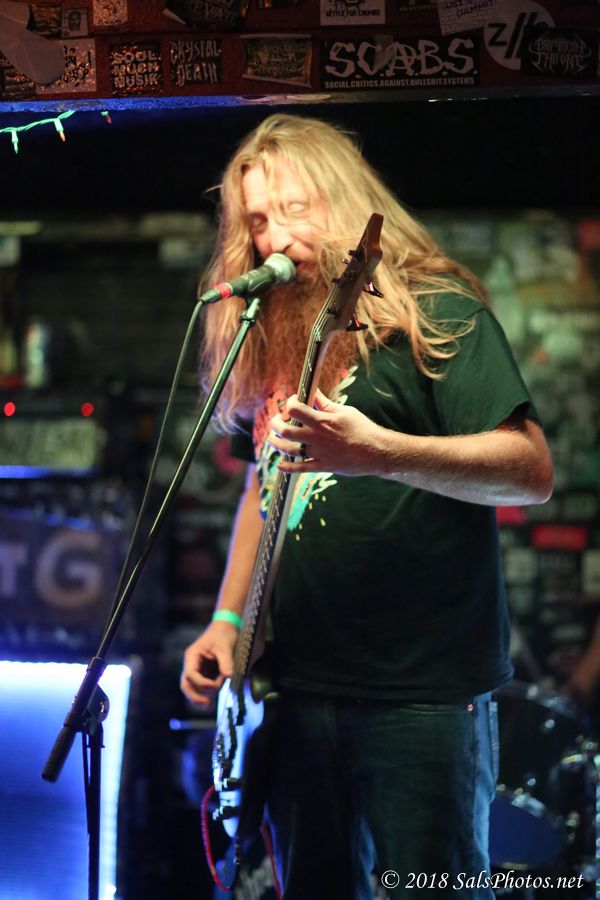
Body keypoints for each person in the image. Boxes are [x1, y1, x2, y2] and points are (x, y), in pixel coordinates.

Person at [181, 113, 554, 899]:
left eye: (293, 209)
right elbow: (264, 486)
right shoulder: (277, 330)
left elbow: (529, 471)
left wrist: (381, 452)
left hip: (421, 694)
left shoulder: (438, 313)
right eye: (257, 220)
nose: (274, 238)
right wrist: (227, 620)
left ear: (344, 201)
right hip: (297, 688)